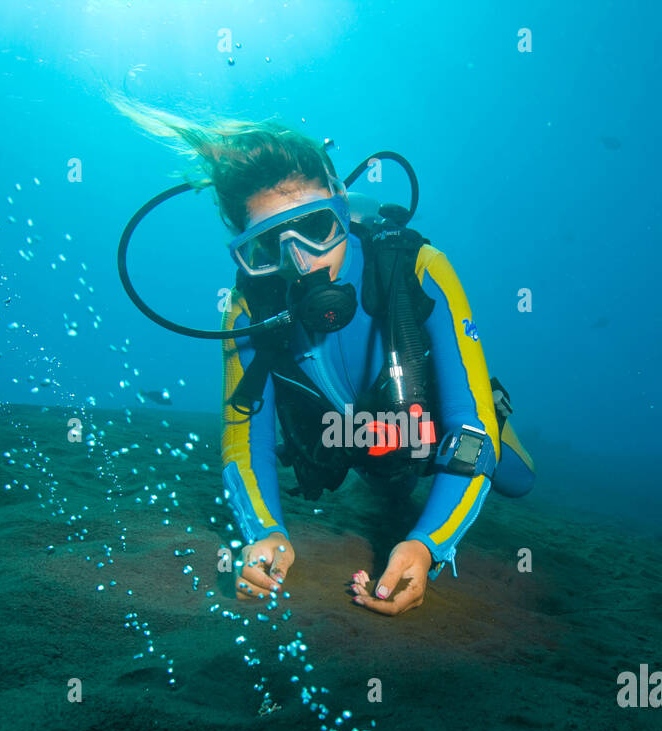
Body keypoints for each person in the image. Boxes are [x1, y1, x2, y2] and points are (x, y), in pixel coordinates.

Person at [116, 104, 535, 616]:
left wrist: (427, 546)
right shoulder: (249, 308)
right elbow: (245, 442)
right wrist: (266, 532)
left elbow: (469, 435)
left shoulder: (421, 269)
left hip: (422, 425)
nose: (300, 260)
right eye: (269, 244)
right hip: (350, 443)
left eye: (316, 227)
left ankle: (485, 416)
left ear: (339, 203)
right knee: (387, 482)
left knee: (515, 477)